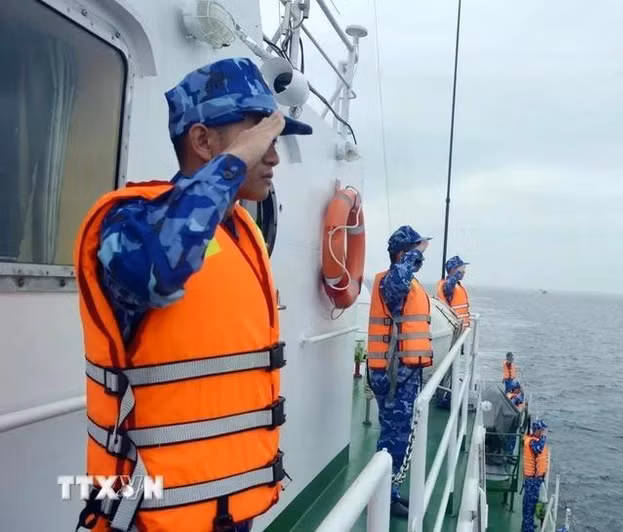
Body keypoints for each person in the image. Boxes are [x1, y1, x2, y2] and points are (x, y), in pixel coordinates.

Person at [73, 57, 312, 532]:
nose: (273, 155)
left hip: (229, 510)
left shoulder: (240, 230)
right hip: (144, 518)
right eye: (259, 136)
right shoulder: (125, 225)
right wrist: (233, 163)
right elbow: (156, 270)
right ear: (203, 141)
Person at [365, 225, 434, 518]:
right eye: (415, 251)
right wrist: (411, 257)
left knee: (399, 434)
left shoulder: (405, 279)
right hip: (394, 374)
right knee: (394, 435)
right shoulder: (392, 280)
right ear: (402, 254)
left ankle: (389, 490)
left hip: (404, 372)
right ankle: (384, 497)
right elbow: (396, 287)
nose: (421, 256)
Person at [522, 419, 549, 532]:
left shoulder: (534, 440)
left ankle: (529, 526)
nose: (543, 432)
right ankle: (527, 529)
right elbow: (538, 449)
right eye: (541, 430)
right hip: (532, 480)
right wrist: (543, 438)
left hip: (536, 479)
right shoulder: (533, 442)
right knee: (529, 506)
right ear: (537, 430)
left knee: (531, 505)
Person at [436, 255, 470, 326]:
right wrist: (456, 274)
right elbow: (449, 285)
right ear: (453, 270)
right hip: (454, 327)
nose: (464, 272)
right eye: (461, 270)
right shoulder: (447, 285)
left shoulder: (457, 285)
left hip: (461, 328)